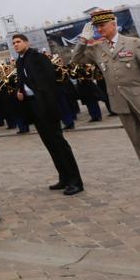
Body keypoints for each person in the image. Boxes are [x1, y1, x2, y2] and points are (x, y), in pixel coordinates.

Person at [67, 10, 140, 202]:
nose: (99, 29)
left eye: (102, 25)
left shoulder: (133, 43)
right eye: (96, 27)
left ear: (113, 23)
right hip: (121, 105)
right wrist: (82, 40)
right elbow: (75, 60)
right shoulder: (97, 48)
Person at [12, 34, 83, 195]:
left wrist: (48, 104)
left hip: (46, 106)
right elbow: (23, 80)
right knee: (50, 145)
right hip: (33, 106)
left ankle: (75, 181)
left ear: (26, 42)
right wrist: (20, 90)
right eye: (14, 43)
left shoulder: (38, 57)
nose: (16, 45)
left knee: (59, 144)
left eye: (18, 42)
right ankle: (64, 178)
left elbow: (49, 81)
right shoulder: (20, 61)